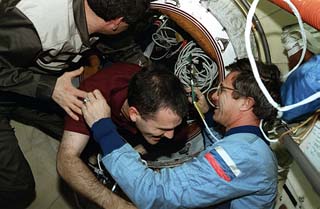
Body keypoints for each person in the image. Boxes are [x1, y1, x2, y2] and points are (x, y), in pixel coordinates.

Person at [0, 0, 149, 208]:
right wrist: (49, 87)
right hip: (14, 84)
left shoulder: (94, 12)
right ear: (116, 22)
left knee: (82, 132)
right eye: (128, 25)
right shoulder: (33, 29)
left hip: (19, 83)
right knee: (19, 189)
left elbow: (118, 45)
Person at [81, 58, 282, 209]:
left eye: (222, 90)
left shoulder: (244, 155)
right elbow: (220, 149)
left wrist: (104, 130)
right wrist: (207, 117)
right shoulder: (247, 144)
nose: (214, 95)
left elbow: (156, 193)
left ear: (246, 103)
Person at [57, 63, 189, 208]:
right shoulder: (92, 95)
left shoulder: (168, 117)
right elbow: (66, 160)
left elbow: (176, 140)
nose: (170, 135)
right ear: (134, 114)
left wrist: (143, 149)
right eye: (162, 129)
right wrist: (118, 205)